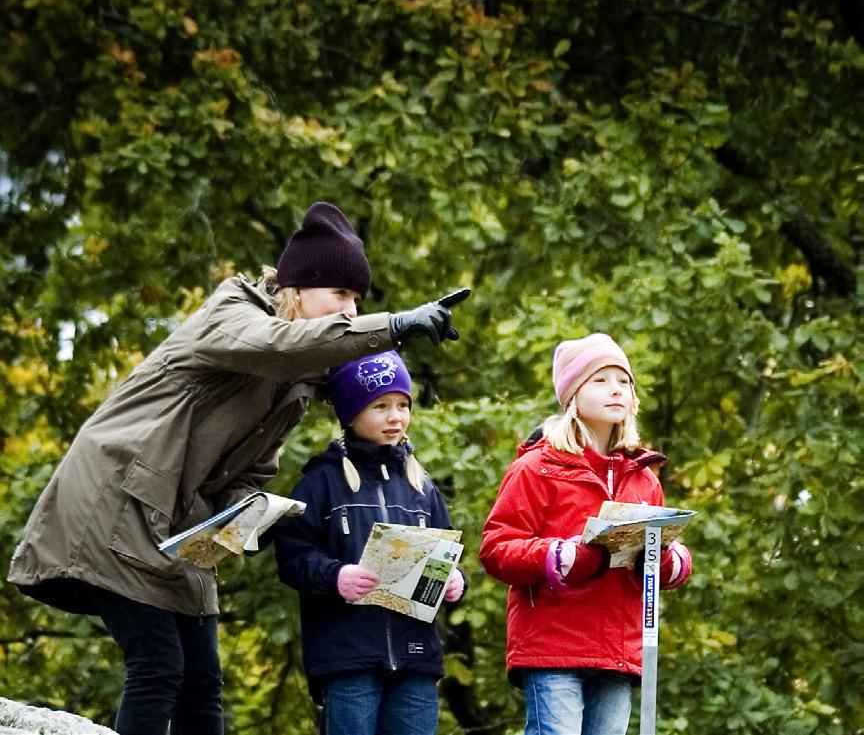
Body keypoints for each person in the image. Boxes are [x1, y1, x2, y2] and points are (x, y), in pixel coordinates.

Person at [8, 201, 470, 735]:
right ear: (297, 287)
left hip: (184, 526)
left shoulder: (297, 379)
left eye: (358, 300)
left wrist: (249, 514)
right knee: (159, 668)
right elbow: (277, 345)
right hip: (119, 504)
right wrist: (391, 325)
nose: (349, 309)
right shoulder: (232, 312)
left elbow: (253, 469)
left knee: (203, 683)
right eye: (340, 294)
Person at [479, 333, 692, 735]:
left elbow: (666, 557)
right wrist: (561, 556)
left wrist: (666, 559)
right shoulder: (537, 467)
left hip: (617, 650)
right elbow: (496, 547)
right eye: (600, 380)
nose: (616, 389)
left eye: (624, 381)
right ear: (573, 395)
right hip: (553, 645)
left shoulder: (644, 478)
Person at [271, 349, 466, 735]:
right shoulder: (320, 481)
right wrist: (335, 576)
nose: (395, 416)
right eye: (380, 406)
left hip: (416, 659)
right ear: (350, 413)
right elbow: (293, 556)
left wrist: (455, 580)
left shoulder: (421, 486)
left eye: (402, 405)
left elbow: (447, 552)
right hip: (347, 658)